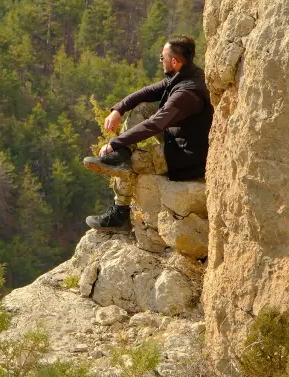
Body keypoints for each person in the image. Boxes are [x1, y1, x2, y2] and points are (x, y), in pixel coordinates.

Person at [83, 35, 213, 232]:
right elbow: (147, 92)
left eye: (163, 58)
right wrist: (119, 109)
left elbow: (155, 124)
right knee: (142, 108)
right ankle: (122, 154)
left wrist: (115, 143)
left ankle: (119, 213)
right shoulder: (186, 75)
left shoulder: (186, 93)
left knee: (131, 162)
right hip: (180, 138)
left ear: (175, 61)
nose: (161, 61)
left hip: (185, 157)